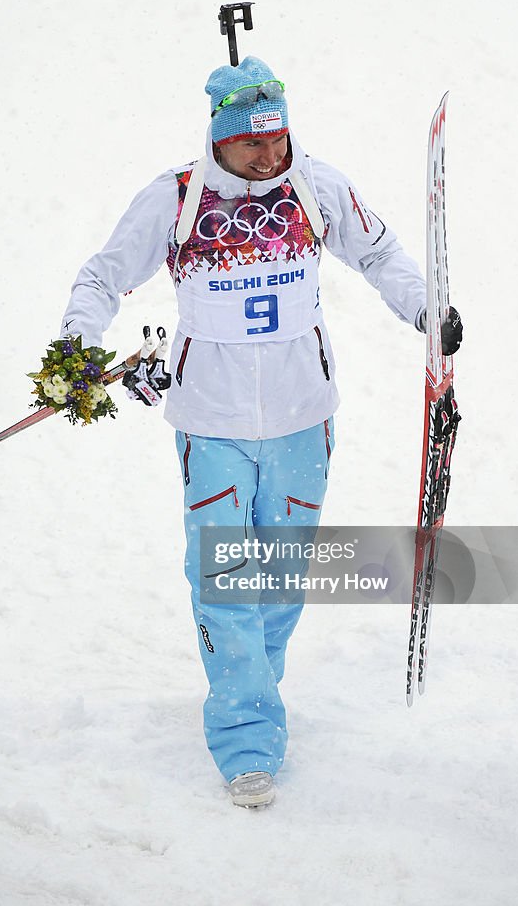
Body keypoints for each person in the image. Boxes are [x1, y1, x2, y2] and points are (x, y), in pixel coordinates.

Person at [58, 55, 462, 808]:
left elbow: (380, 252)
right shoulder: (176, 199)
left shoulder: (317, 187)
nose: (271, 157)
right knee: (224, 577)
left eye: (279, 140)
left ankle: (249, 685)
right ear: (219, 137)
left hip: (305, 414)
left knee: (279, 578)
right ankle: (246, 736)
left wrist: (424, 311)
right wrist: (78, 348)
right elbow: (102, 276)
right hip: (209, 421)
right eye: (253, 145)